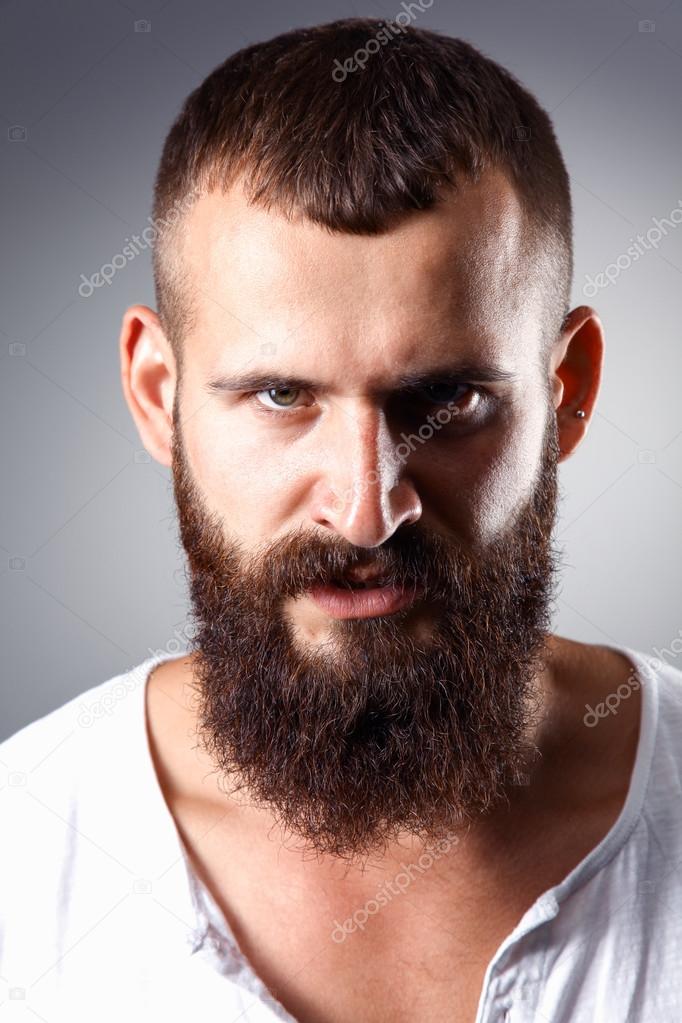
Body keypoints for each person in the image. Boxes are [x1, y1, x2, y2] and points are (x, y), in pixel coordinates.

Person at [2, 17, 681, 1023]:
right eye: (281, 397)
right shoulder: (21, 857)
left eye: (443, 402)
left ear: (566, 390)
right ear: (157, 396)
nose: (365, 511)